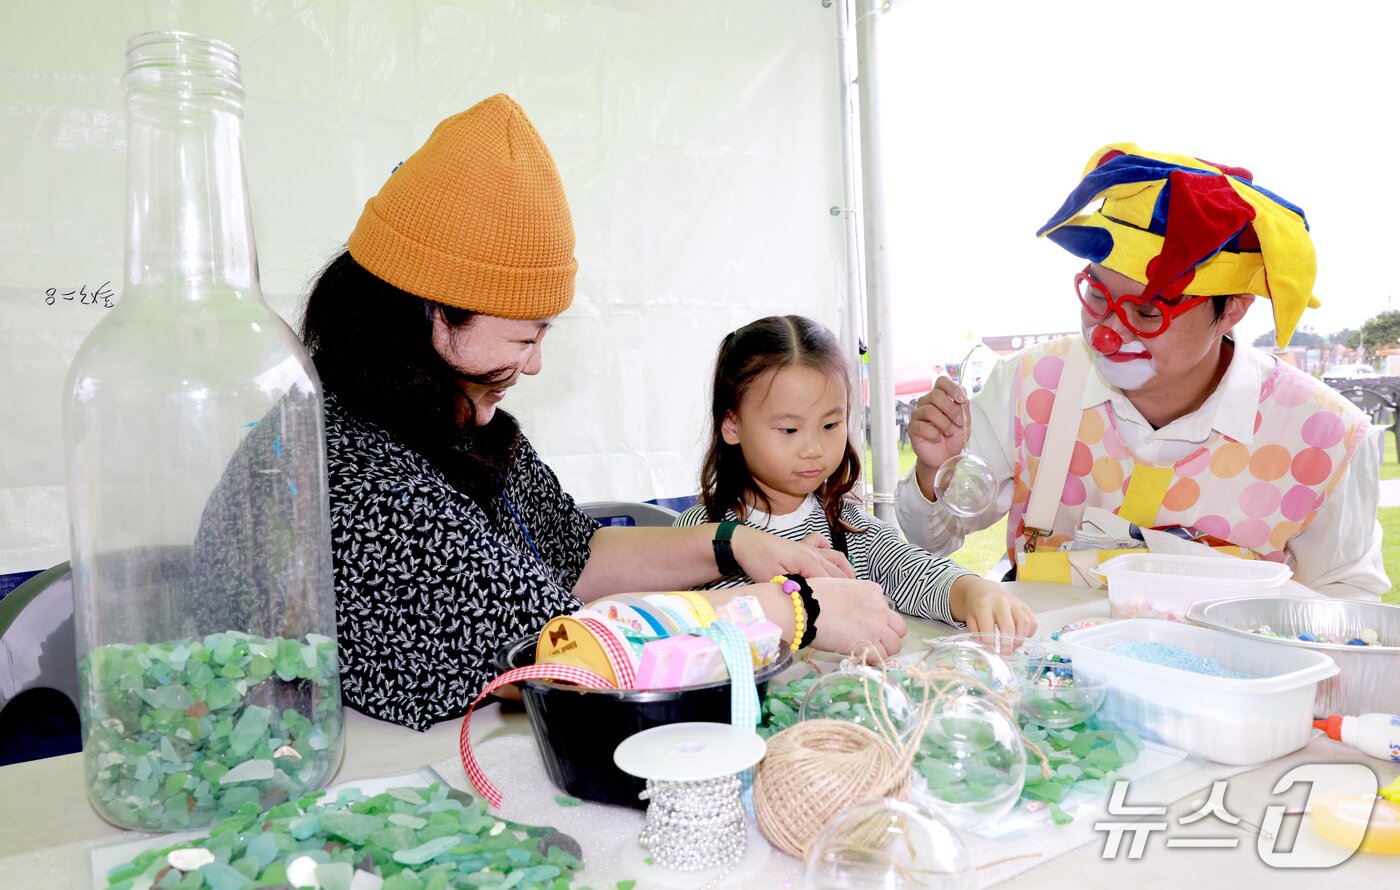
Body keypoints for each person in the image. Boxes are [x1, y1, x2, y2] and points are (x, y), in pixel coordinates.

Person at [300, 95, 905, 730]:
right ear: (433, 313)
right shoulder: (354, 475)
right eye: (525, 336)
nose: (534, 364)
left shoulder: (454, 419)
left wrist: (728, 542)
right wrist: (789, 612)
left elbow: (579, 554)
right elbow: (565, 651)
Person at [897, 143, 1387, 600]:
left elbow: (1345, 602)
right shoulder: (1028, 384)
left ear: (1233, 309)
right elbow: (932, 537)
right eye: (1097, 295)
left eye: (1148, 311)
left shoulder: (1327, 437)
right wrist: (931, 471)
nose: (1109, 330)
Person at [675, 315, 1037, 636]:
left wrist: (974, 591)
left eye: (831, 424)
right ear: (731, 424)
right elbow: (677, 625)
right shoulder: (698, 537)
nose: (814, 448)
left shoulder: (848, 529)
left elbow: (914, 573)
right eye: (789, 430)